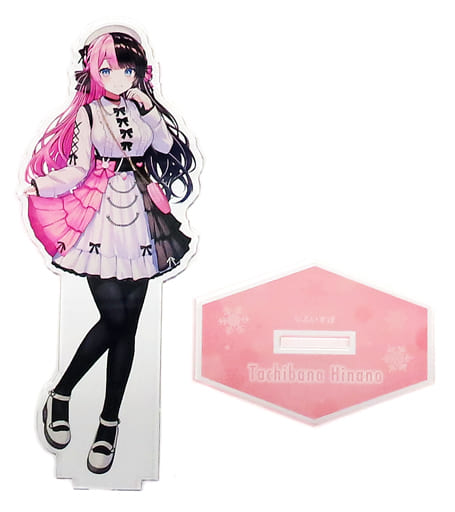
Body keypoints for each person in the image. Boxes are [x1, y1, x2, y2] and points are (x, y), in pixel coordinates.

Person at [25, 26, 195, 474]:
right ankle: (62, 392)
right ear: (94, 72)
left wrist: (148, 108)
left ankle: (109, 421)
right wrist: (43, 185)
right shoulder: (89, 114)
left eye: (127, 69)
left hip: (140, 214)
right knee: (117, 320)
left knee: (129, 326)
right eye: (108, 69)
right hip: (99, 211)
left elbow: (164, 145)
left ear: (139, 72)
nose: (119, 77)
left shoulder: (142, 110)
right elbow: (78, 168)